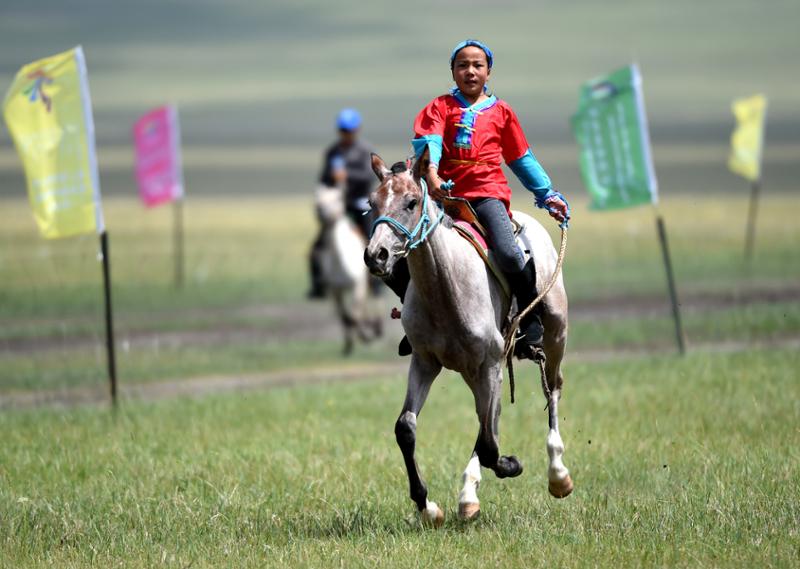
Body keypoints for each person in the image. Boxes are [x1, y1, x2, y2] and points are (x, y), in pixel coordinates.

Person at [391, 39, 570, 359]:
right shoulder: (440, 107)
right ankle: (417, 319)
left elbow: (521, 158)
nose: (470, 71)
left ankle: (530, 322)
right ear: (453, 71)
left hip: (486, 194)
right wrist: (432, 175)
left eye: (477, 65)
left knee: (510, 254)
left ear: (489, 72)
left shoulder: (502, 112)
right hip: (444, 196)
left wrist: (547, 194)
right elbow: (429, 143)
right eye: (462, 65)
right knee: (399, 250)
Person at [308, 108, 381, 298]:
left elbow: (368, 176)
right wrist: (331, 182)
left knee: (371, 240)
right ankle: (318, 283)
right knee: (318, 246)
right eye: (343, 130)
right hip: (339, 205)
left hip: (360, 203)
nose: (346, 134)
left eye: (349, 130)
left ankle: (376, 281)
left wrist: (346, 175)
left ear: (356, 130)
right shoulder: (333, 152)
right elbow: (324, 178)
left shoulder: (364, 150)